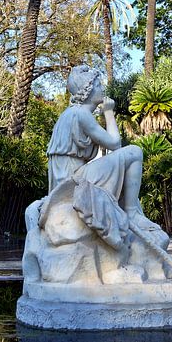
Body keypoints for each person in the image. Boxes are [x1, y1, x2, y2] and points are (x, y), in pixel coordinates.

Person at [46, 65, 149, 228]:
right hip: (73, 181)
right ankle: (131, 213)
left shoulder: (72, 113)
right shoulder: (80, 114)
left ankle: (131, 211)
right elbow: (115, 144)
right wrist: (109, 113)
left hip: (71, 175)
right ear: (88, 91)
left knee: (122, 167)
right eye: (98, 85)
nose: (102, 88)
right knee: (134, 153)